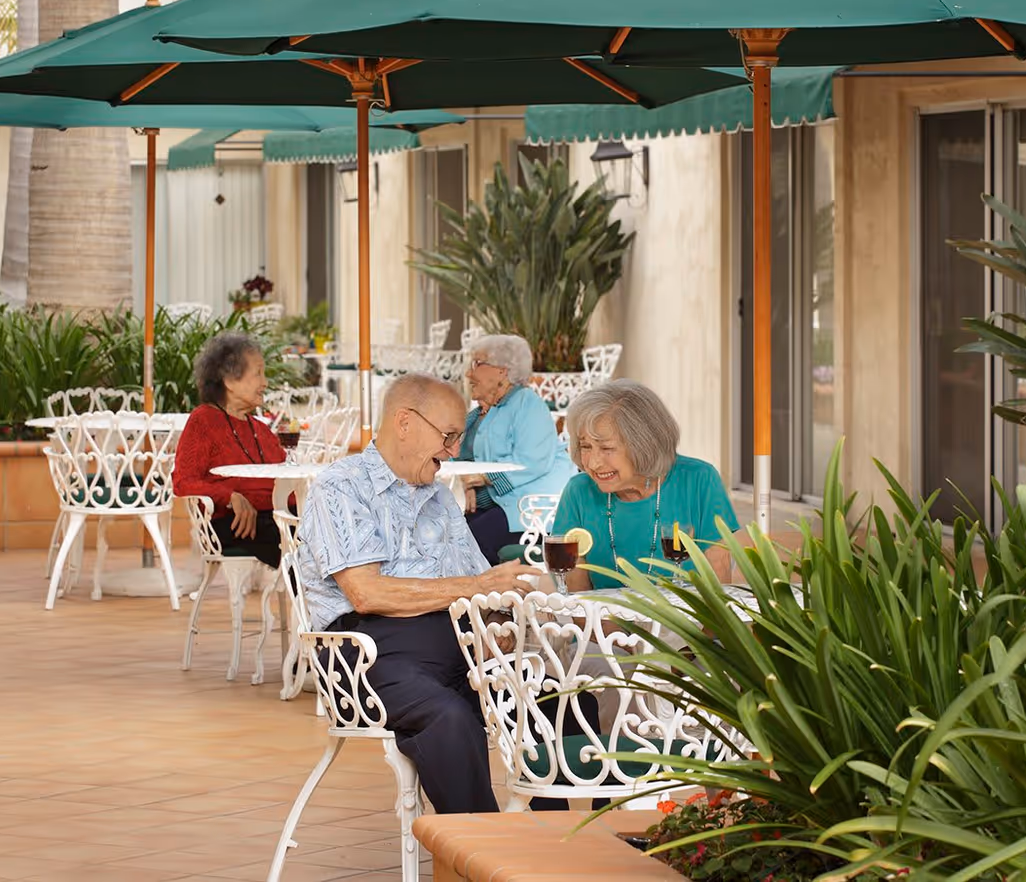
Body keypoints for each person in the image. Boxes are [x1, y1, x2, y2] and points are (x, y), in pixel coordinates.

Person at [295, 373, 530, 814]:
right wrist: (479, 588)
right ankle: (479, 856)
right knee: (450, 719)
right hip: (363, 651)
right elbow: (366, 594)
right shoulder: (341, 486)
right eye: (448, 435)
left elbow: (480, 587)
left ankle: (560, 849)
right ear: (404, 422)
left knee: (553, 701)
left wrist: (496, 623)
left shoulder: (439, 497)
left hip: (452, 645)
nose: (454, 450)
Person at [551, 379, 738, 589]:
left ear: (643, 445)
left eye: (607, 449)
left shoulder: (699, 480)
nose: (593, 463)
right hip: (605, 620)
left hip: (684, 621)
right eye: (585, 446)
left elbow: (719, 577)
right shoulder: (579, 492)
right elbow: (577, 594)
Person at [457, 333, 574, 562]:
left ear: (502, 370)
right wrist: (466, 482)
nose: (469, 373)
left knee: (467, 543)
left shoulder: (527, 404)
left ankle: (487, 594)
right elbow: (459, 454)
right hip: (497, 505)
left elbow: (531, 461)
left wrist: (480, 477)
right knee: (451, 536)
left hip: (528, 508)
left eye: (477, 364)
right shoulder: (487, 412)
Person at [172, 331, 287, 566]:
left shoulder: (261, 430)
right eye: (258, 373)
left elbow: (285, 478)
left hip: (274, 518)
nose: (265, 382)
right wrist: (230, 496)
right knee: (301, 542)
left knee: (323, 532)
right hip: (229, 523)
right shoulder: (203, 421)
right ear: (230, 380)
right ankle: (318, 601)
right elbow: (183, 482)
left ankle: (322, 599)